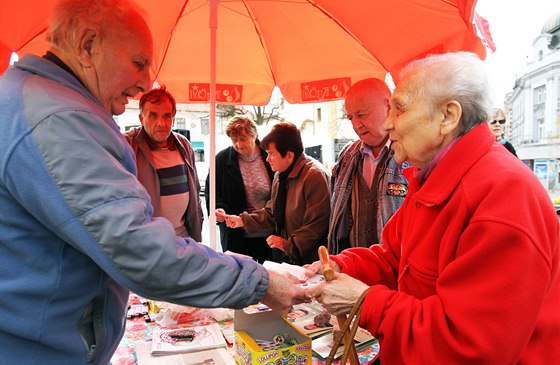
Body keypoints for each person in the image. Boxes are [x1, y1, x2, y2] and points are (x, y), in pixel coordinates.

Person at [0, 1, 305, 363]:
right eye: (138, 62)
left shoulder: (35, 99)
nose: (146, 81)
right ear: (87, 46)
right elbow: (138, 247)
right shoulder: (57, 117)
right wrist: (261, 283)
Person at [304, 52, 560, 364]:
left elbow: (470, 345)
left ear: (448, 116)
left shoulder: (504, 194)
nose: (387, 124)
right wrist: (345, 266)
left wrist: (364, 301)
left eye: (398, 109)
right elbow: (395, 257)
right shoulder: (431, 177)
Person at [221, 122, 331, 265]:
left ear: (289, 155)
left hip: (312, 262)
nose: (267, 159)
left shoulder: (314, 176)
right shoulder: (280, 175)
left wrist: (288, 245)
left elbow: (316, 226)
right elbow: (272, 212)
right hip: (288, 258)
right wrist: (242, 220)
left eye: (271, 154)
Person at [328, 78, 408, 254]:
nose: (356, 124)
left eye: (362, 114)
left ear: (388, 106)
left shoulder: (412, 154)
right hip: (351, 269)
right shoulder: (347, 156)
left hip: (396, 271)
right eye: (350, 117)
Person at [124, 86, 204, 241]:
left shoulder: (184, 145)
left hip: (184, 238)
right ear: (141, 119)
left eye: (167, 116)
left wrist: (196, 232)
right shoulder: (127, 145)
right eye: (153, 116)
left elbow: (196, 191)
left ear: (173, 118)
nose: (161, 123)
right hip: (148, 242)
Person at [206, 116, 274, 263]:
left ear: (254, 135)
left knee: (270, 279)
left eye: (243, 138)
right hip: (236, 235)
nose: (238, 144)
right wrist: (219, 209)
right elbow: (213, 192)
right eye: (234, 139)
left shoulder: (270, 156)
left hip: (269, 234)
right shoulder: (222, 160)